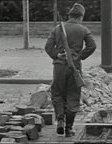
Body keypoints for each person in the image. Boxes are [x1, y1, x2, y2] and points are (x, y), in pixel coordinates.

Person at [44, 3, 96, 137]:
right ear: (81, 16)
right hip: (75, 67)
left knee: (57, 94)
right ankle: (69, 128)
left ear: (70, 15)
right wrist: (79, 57)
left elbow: (48, 47)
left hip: (59, 66)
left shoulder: (57, 29)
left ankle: (60, 120)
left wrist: (57, 55)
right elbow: (92, 46)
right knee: (73, 95)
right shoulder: (83, 29)